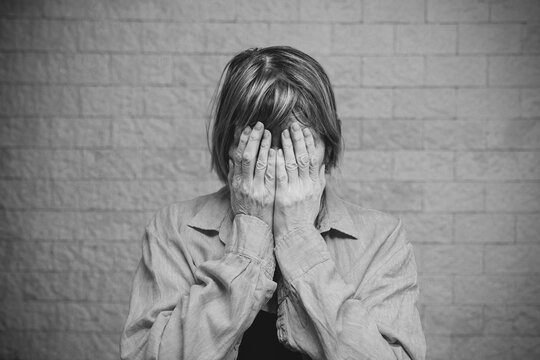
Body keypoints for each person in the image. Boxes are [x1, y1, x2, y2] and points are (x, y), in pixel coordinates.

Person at [120, 46, 426, 360]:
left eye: (298, 146)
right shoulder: (175, 229)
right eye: (263, 145)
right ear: (231, 147)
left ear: (329, 146)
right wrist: (249, 241)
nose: (282, 165)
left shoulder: (381, 239)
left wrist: (298, 236)